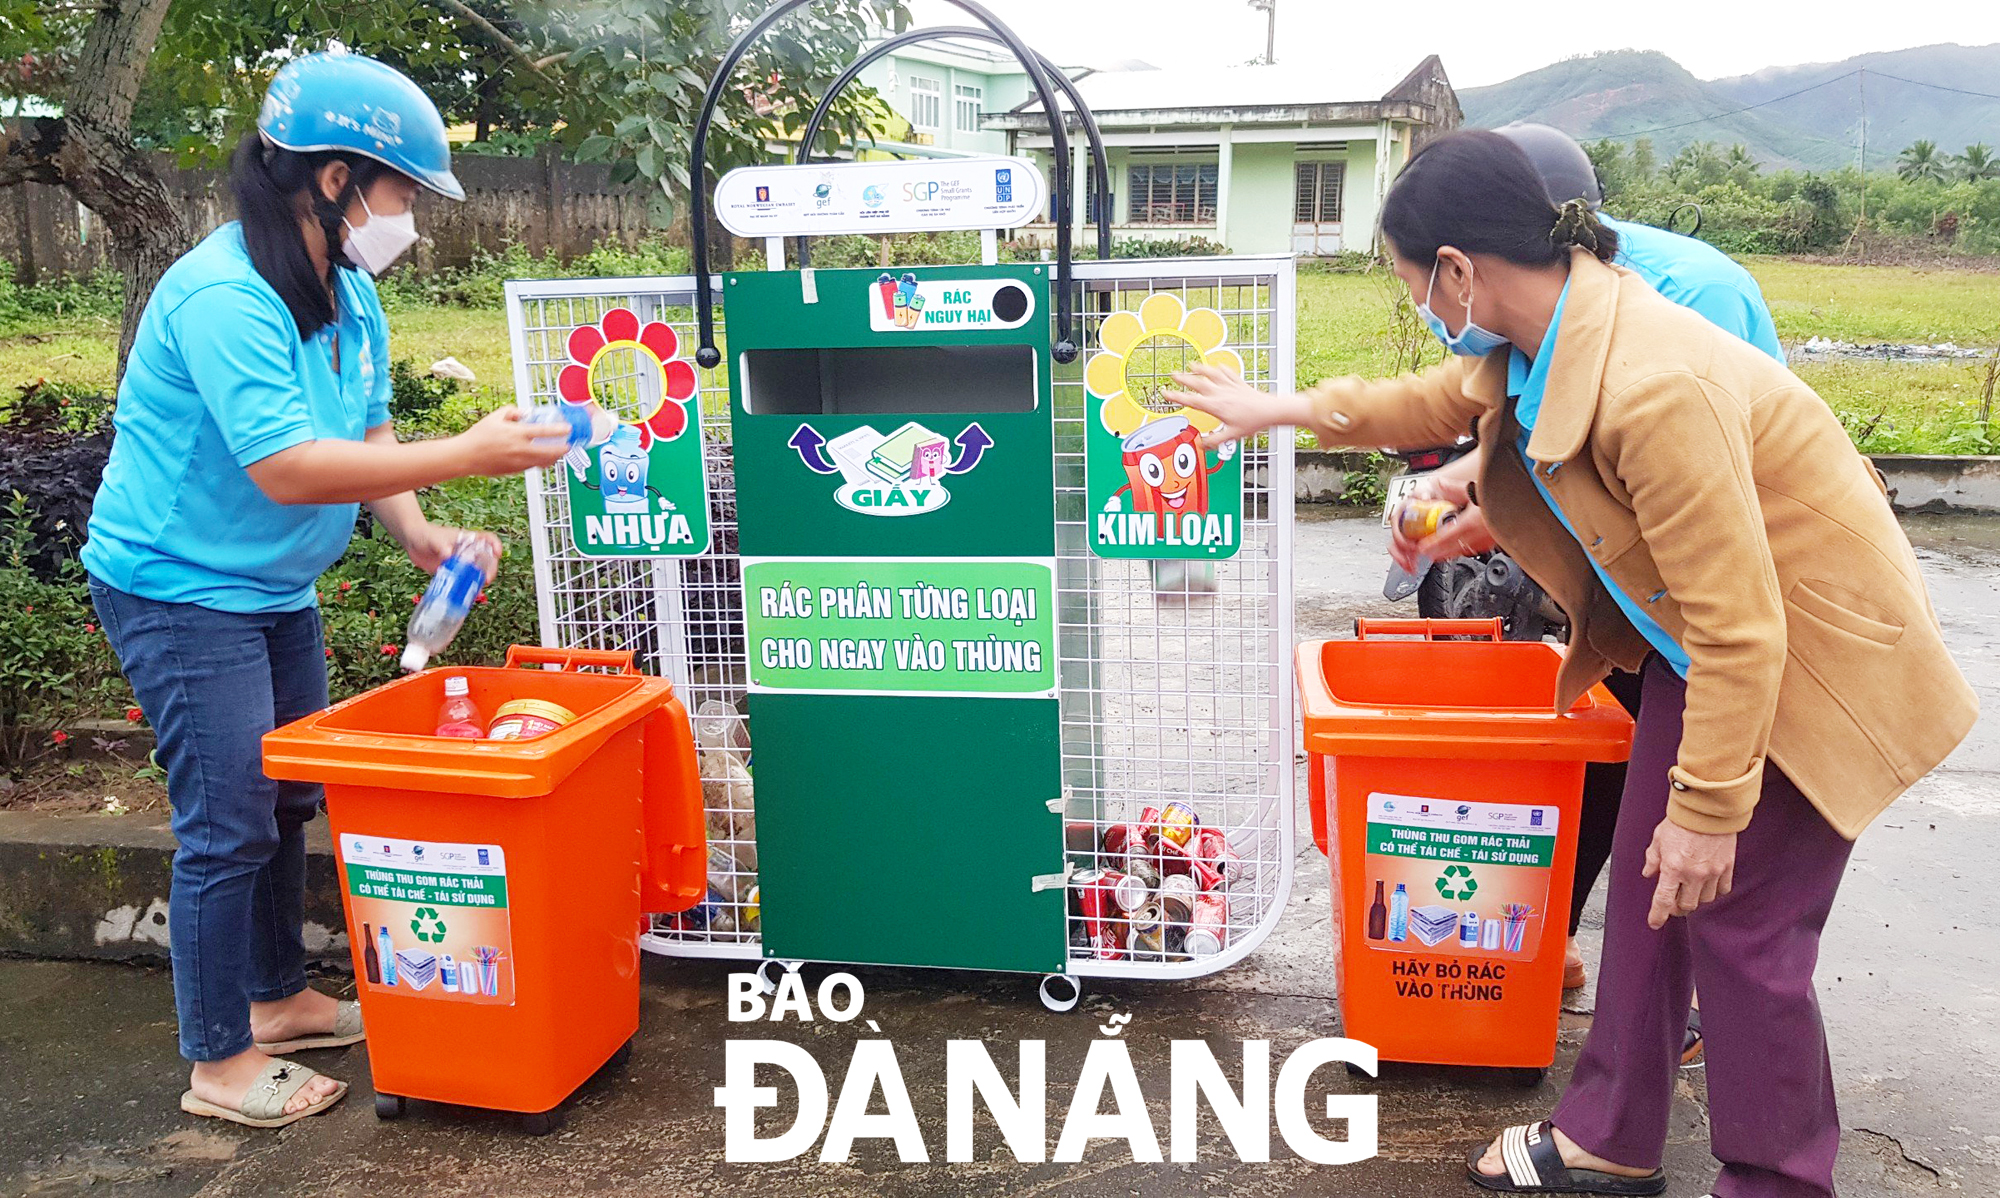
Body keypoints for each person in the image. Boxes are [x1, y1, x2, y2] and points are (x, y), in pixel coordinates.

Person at [1166, 130, 1975, 1198]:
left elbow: (1742, 628)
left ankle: (1776, 1179)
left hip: (1804, 671)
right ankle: (1610, 1133)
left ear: (1455, 269)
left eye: (1410, 280)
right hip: (1696, 653)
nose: (1416, 300)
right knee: (1653, 899)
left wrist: (1707, 807)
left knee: (1738, 930)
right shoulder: (1539, 332)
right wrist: (1272, 411)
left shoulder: (1653, 383)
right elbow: (1426, 400)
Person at [82, 53, 568, 1128]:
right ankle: (218, 1062)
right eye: (401, 191)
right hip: (179, 586)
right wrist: (465, 456)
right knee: (228, 818)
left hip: (273, 586)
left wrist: (420, 532)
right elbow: (287, 466)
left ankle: (278, 999)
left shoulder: (346, 290)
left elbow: (364, 430)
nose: (410, 217)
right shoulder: (224, 295)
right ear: (336, 178)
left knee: (291, 792)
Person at [1400, 123, 1787, 1064]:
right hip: (1625, 580)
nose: (1426, 300)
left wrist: (1497, 511)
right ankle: (1559, 949)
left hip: (1705, 596)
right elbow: (1509, 413)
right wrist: (1463, 483)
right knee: (1587, 750)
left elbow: (1670, 507)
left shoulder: (1681, 302)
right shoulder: (1535, 297)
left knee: (1693, 827)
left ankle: (1684, 1017)